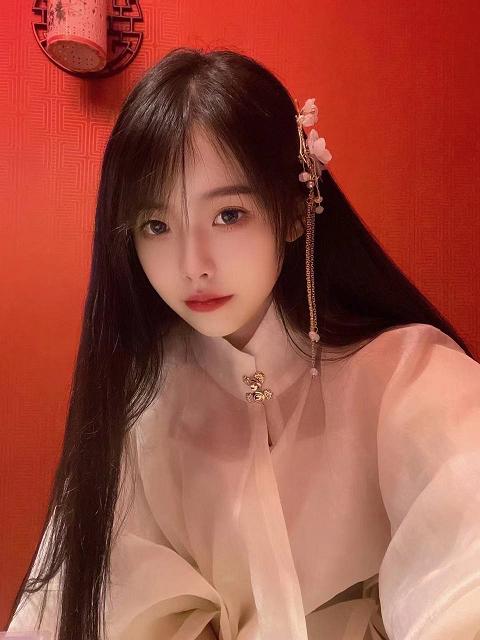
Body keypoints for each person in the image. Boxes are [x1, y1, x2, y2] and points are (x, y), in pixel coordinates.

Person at [6, 47, 480, 640]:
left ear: (295, 212)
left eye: (228, 214)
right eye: (157, 225)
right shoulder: (142, 406)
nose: (192, 264)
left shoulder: (403, 374)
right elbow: (67, 611)